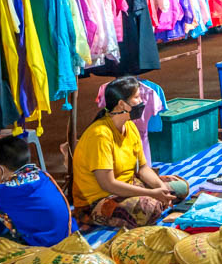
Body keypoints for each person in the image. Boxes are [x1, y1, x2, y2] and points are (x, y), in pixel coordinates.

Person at [72, 77, 182, 227]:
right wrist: (151, 193)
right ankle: (155, 203)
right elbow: (108, 185)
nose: (141, 101)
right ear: (122, 104)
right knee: (149, 207)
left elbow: (143, 168)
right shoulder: (100, 135)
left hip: (128, 184)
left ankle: (158, 199)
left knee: (180, 188)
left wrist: (160, 189)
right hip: (99, 200)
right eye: (137, 97)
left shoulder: (129, 126)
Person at [0, 136, 72, 247]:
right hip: (66, 236)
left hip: (43, 246)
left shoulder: (4, 191)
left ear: (0, 170)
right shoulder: (42, 175)